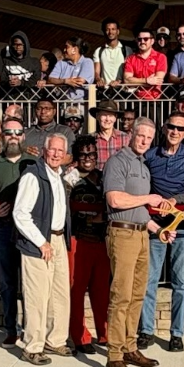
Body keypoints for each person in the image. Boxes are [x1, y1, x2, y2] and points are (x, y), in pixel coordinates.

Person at [102, 118, 165, 367]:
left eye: (149, 138)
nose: (144, 141)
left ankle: (130, 347)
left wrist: (157, 228)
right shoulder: (118, 161)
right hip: (122, 233)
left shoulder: (143, 165)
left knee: (138, 294)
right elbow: (115, 199)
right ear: (131, 134)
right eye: (141, 136)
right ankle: (114, 355)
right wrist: (149, 199)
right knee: (121, 296)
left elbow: (137, 209)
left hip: (140, 235)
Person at [137, 113, 184, 353]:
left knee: (181, 282)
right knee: (149, 280)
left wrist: (175, 200)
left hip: (182, 226)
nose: (175, 131)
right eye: (172, 127)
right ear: (164, 128)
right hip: (154, 225)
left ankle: (177, 333)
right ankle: (146, 330)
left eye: (180, 128)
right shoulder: (150, 155)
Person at [12, 133, 76, 365]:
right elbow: (20, 213)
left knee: (60, 293)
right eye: (53, 149)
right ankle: (32, 346)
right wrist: (41, 241)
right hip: (39, 242)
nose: (57, 154)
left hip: (58, 239)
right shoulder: (33, 175)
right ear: (44, 151)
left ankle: (55, 339)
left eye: (61, 150)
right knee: (37, 296)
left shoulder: (58, 175)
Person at [0, 118, 37, 348]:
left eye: (17, 132)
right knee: (8, 281)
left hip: (29, 229)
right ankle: (11, 328)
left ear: (23, 136)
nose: (13, 136)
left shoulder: (34, 162)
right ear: (2, 136)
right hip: (3, 228)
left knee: (31, 281)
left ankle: (33, 329)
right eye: (8, 132)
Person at [66, 136, 110, 355]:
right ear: (76, 156)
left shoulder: (104, 178)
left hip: (102, 241)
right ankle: (79, 337)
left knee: (102, 292)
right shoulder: (69, 179)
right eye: (82, 154)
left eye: (91, 154)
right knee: (76, 291)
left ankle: (105, 333)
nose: (87, 158)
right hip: (78, 240)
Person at [124, 28, 168, 101]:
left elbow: (157, 80)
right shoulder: (130, 58)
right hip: (135, 99)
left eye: (145, 39)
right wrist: (146, 80)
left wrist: (135, 81)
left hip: (155, 99)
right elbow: (127, 80)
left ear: (152, 41)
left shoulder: (161, 57)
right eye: (139, 39)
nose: (142, 41)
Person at [94, 18, 133, 96]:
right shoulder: (98, 51)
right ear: (104, 32)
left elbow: (130, 71)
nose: (110, 32)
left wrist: (119, 81)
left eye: (113, 29)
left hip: (122, 91)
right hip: (105, 91)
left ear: (118, 31)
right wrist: (98, 80)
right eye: (107, 29)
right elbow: (96, 72)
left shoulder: (127, 50)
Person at [49, 37, 95, 101]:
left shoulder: (87, 62)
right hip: (63, 103)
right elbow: (50, 79)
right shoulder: (61, 63)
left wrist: (59, 81)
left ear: (75, 49)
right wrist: (65, 81)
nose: (64, 50)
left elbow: (80, 81)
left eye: (67, 47)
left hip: (81, 103)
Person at [91, 100, 130, 167]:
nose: (107, 119)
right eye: (104, 115)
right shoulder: (90, 139)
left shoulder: (125, 138)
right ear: (97, 116)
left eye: (111, 115)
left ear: (115, 118)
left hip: (119, 176)